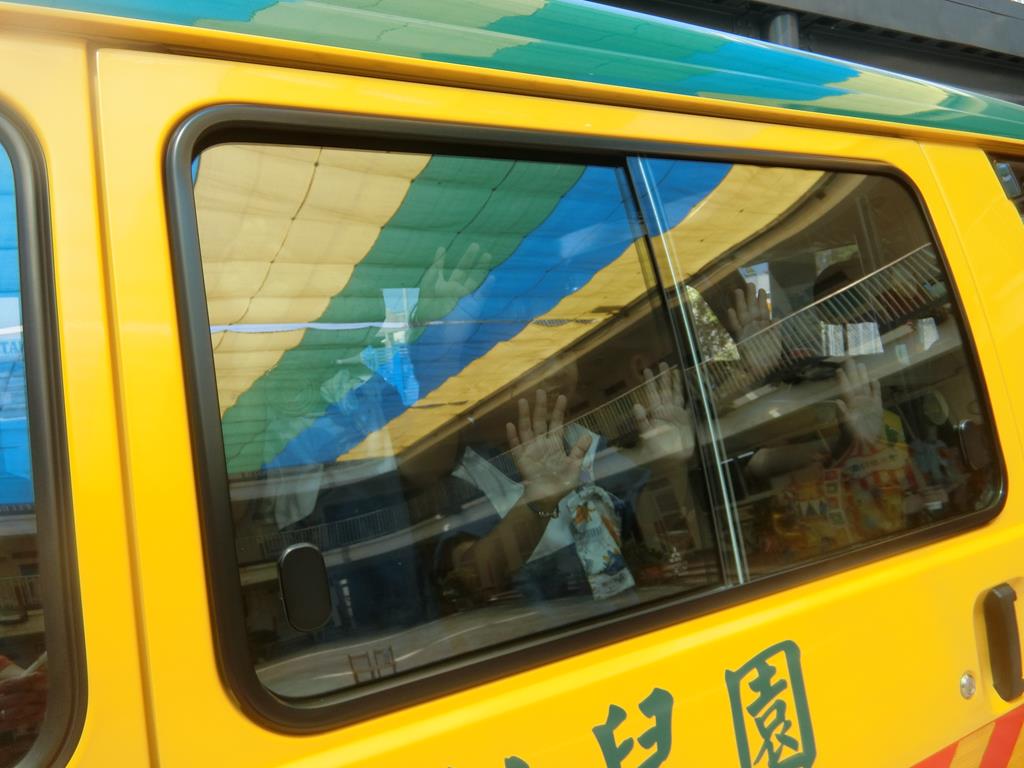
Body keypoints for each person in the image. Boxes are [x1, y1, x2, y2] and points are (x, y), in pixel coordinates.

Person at [437, 358, 695, 605]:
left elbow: (663, 536)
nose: (559, 369)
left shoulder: (588, 443)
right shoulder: (469, 474)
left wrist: (668, 464)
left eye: (564, 350)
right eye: (536, 353)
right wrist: (537, 503)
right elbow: (469, 580)